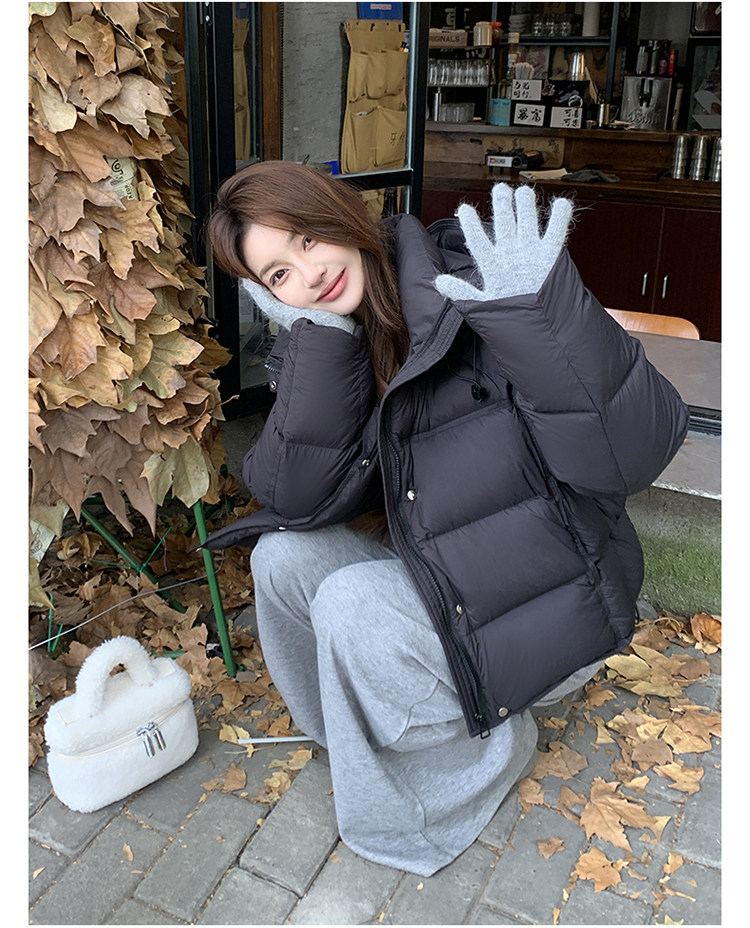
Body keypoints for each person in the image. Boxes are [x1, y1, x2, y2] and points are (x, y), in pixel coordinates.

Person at [202, 161, 688, 876]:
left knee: (351, 603)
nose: (309, 274)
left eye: (307, 238)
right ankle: (361, 736)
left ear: (340, 212)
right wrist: (320, 345)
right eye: (278, 274)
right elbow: (297, 498)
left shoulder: (477, 281)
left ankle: (479, 757)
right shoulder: (328, 335)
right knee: (280, 557)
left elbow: (634, 454)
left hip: (557, 605)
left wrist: (540, 317)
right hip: (455, 585)